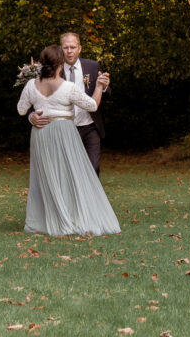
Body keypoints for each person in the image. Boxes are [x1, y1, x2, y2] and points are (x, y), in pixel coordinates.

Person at [15, 43, 120, 237]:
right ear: (60, 64)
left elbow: (21, 109)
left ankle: (50, 220)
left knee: (47, 176)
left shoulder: (31, 85)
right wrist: (98, 87)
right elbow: (91, 105)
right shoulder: (68, 87)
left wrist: (33, 115)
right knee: (70, 174)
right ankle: (71, 216)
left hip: (41, 133)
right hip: (64, 132)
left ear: (41, 63)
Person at [26, 29, 108, 172]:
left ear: (79, 49)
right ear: (60, 49)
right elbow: (34, 96)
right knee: (66, 171)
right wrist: (31, 115)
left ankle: (88, 195)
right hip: (62, 129)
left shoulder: (92, 66)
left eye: (73, 47)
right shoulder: (50, 70)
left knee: (93, 168)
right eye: (66, 47)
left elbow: (105, 93)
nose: (69, 51)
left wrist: (104, 87)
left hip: (89, 126)